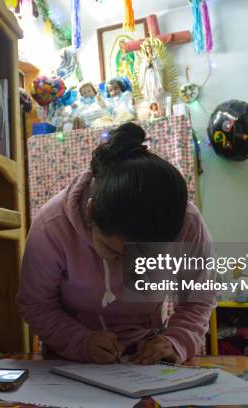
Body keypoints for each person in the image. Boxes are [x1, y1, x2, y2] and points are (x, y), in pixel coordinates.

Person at [17, 122, 215, 364]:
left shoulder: (187, 222)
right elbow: (36, 304)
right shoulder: (51, 227)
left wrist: (176, 340)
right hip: (71, 360)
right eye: (113, 251)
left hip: (147, 356)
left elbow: (199, 296)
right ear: (90, 212)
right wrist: (82, 341)